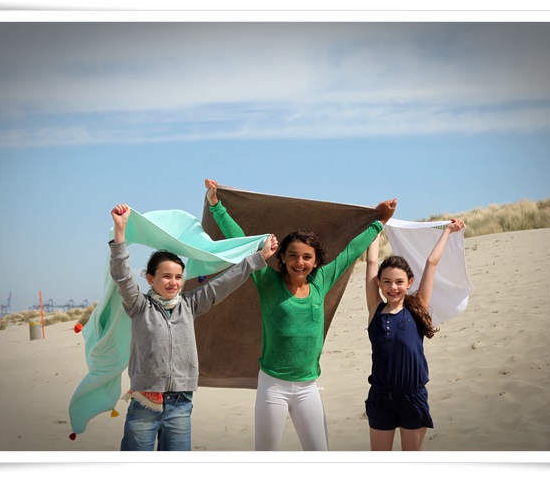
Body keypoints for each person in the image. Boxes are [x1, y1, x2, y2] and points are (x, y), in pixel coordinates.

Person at [204, 179, 397, 451]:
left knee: (320, 455)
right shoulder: (268, 281)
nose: (299, 262)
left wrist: (380, 220)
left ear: (316, 261)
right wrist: (216, 206)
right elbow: (244, 243)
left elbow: (353, 249)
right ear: (282, 257)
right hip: (273, 387)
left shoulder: (322, 279)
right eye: (293, 256)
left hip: (308, 388)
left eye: (306, 257)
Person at [109, 203, 278, 451]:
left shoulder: (189, 305)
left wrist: (258, 259)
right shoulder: (138, 305)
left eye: (178, 277)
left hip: (180, 405)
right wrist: (120, 231)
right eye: (166, 276)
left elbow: (223, 284)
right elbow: (122, 276)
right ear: (150, 278)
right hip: (144, 404)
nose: (173, 282)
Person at [364, 218, 465, 451]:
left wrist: (448, 230)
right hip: (381, 397)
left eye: (399, 282)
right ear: (379, 283)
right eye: (387, 282)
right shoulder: (375, 310)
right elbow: (371, 261)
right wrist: (377, 227)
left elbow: (431, 263)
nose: (393, 287)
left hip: (413, 397)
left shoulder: (417, 309)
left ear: (409, 283)